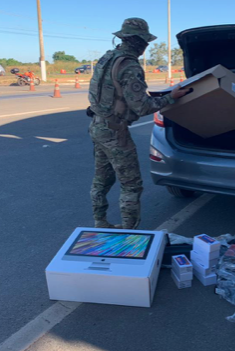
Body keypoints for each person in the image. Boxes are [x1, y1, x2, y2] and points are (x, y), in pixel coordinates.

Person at [87, 18, 188, 229]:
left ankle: (100, 221)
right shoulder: (129, 66)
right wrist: (172, 97)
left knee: (101, 180)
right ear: (136, 41)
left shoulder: (108, 58)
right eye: (145, 42)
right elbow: (142, 107)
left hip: (98, 125)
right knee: (131, 185)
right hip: (115, 132)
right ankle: (129, 232)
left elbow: (99, 91)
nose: (146, 46)